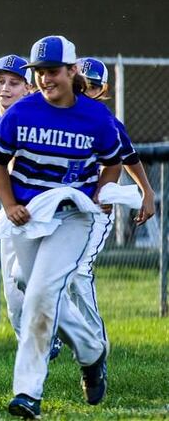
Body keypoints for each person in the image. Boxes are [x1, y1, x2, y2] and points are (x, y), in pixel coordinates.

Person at [0, 36, 118, 418]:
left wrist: (101, 192)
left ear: (73, 71)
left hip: (72, 216)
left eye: (54, 71)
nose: (46, 79)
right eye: (41, 72)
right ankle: (92, 351)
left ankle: (27, 391)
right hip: (28, 214)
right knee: (29, 284)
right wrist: (9, 204)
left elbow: (113, 159)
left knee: (42, 294)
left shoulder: (95, 116)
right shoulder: (22, 112)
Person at [0, 55, 68, 357]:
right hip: (10, 216)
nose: (5, 88)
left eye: (14, 82)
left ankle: (56, 337)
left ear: (28, 88)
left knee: (51, 282)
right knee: (14, 298)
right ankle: (35, 344)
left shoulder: (43, 120)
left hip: (50, 213)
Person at [68, 57, 155, 345]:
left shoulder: (105, 120)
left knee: (79, 272)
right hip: (62, 207)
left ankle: (95, 344)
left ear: (102, 89)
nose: (84, 90)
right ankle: (56, 332)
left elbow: (128, 157)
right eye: (80, 83)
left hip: (96, 209)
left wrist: (147, 191)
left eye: (91, 86)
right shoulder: (57, 114)